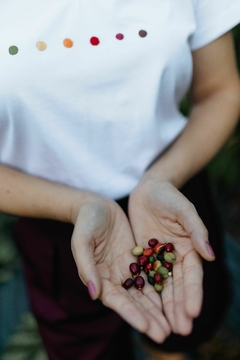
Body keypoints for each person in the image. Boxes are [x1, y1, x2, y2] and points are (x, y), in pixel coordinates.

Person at [0, 0, 240, 359]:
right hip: (50, 213)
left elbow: (221, 90)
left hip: (171, 192)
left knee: (179, 326)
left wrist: (164, 176)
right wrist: (77, 205)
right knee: (84, 345)